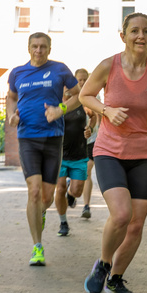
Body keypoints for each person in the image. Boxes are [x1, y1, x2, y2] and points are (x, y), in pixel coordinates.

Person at [80, 13, 147, 293]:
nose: (140, 36)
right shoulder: (109, 65)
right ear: (123, 36)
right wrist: (106, 110)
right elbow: (86, 95)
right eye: (134, 31)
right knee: (121, 214)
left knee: (136, 223)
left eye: (146, 31)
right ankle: (104, 264)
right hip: (109, 150)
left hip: (143, 153)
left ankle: (116, 278)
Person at [7, 32, 81, 266]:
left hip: (53, 138)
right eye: (35, 46)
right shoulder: (17, 73)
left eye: (43, 47)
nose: (38, 51)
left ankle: (40, 213)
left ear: (49, 49)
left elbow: (80, 95)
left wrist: (60, 109)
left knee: (47, 197)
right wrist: (11, 115)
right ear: (28, 48)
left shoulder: (59, 70)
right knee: (34, 191)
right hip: (28, 138)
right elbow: (11, 96)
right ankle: (37, 247)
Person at [53, 68, 91, 237]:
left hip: (79, 154)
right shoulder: (56, 105)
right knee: (59, 189)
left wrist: (90, 127)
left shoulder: (83, 102)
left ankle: (71, 193)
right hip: (60, 155)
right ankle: (63, 222)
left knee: (77, 191)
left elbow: (94, 116)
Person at [79, 90, 101, 219]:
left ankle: (86, 206)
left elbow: (99, 115)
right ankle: (72, 188)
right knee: (79, 172)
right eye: (79, 80)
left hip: (92, 139)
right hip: (75, 142)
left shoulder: (94, 96)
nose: (82, 82)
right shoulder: (71, 97)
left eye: (84, 79)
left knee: (87, 170)